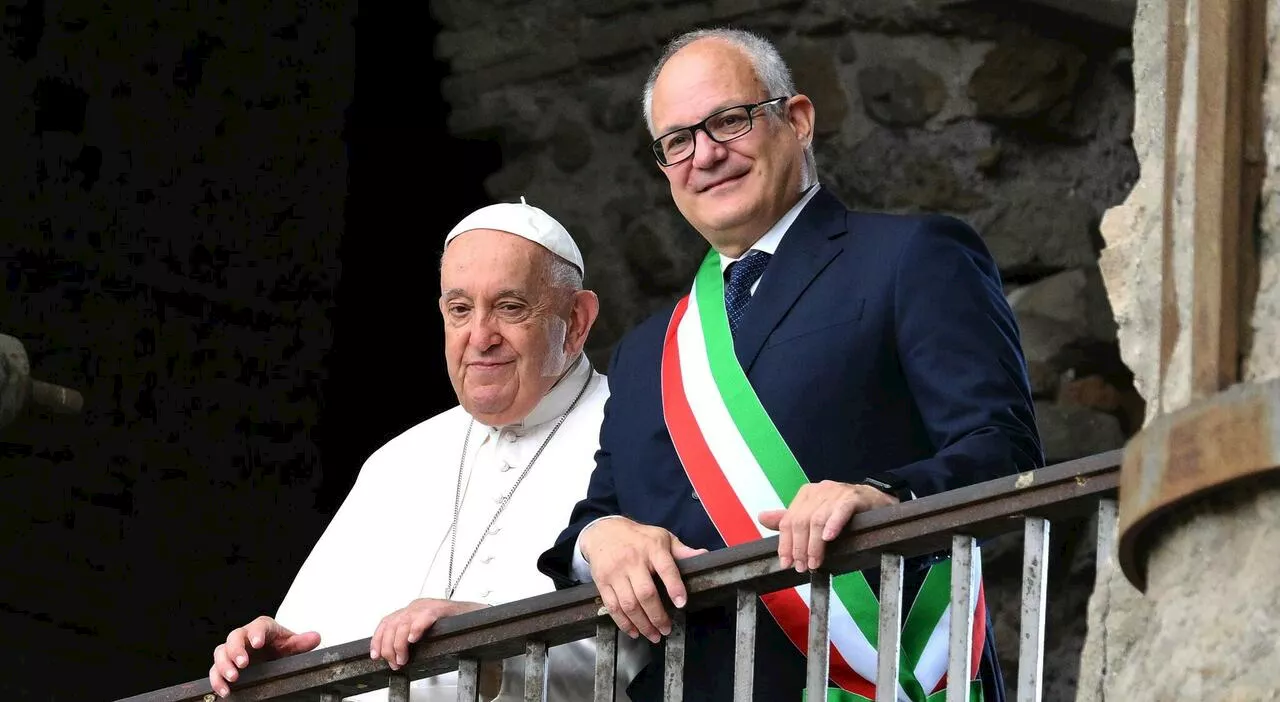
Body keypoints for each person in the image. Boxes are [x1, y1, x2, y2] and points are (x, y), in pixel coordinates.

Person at [537, 28, 1043, 702]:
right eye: (678, 141)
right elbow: (598, 514)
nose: (706, 155)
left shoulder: (912, 257)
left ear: (797, 120)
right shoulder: (645, 352)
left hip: (877, 681)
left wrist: (882, 494)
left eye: (728, 120)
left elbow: (1002, 450)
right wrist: (601, 540)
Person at [208, 200, 645, 701]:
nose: (480, 337)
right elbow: (319, 637)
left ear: (577, 318)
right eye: (460, 310)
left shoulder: (637, 428)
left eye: (510, 307)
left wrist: (496, 646)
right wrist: (283, 665)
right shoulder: (398, 461)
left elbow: (649, 638)